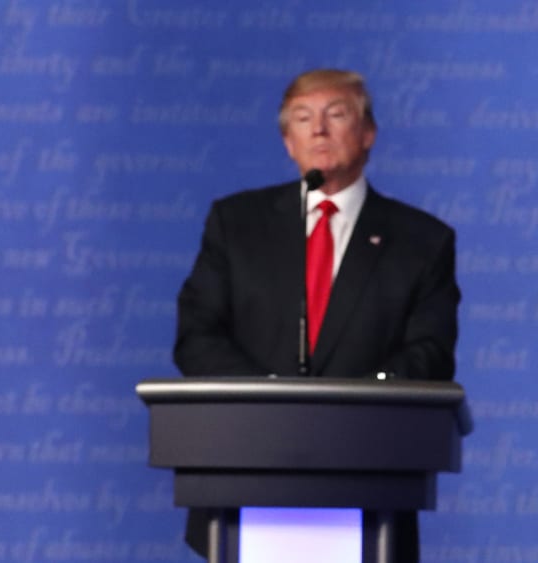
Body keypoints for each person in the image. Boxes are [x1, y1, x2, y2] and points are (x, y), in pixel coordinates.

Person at [174, 68, 461, 562]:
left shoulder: (422, 241)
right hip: (245, 467)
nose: (319, 130)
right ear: (288, 142)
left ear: (368, 132)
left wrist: (353, 407)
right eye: (303, 119)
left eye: (336, 114)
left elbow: (430, 353)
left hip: (370, 480)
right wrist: (269, 402)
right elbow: (197, 336)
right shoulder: (236, 223)